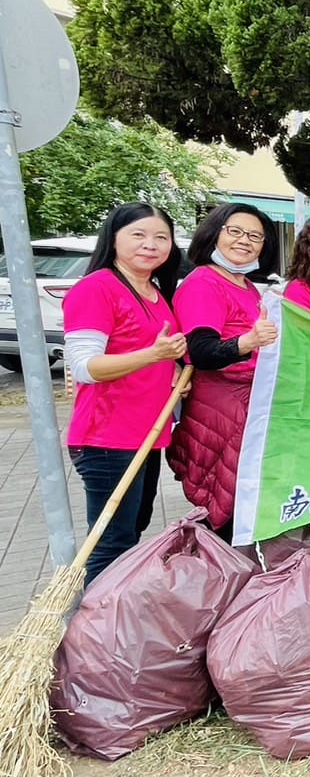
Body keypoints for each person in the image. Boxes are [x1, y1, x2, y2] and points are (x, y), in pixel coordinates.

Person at [62, 203, 188, 584]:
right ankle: (90, 635)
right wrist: (155, 355)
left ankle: (112, 622)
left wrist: (176, 368)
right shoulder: (97, 288)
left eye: (160, 237)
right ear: (113, 239)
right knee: (110, 543)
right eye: (138, 234)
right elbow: (86, 366)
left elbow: (160, 355)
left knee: (131, 532)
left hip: (146, 436)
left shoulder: (154, 291)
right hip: (106, 439)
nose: (150, 244)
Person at [167, 202, 281, 536]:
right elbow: (201, 352)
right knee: (227, 508)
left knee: (242, 502)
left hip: (244, 410)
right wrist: (247, 342)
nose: (245, 241)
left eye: (255, 236)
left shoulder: (244, 285)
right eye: (235, 231)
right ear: (214, 233)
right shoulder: (203, 283)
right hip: (220, 412)